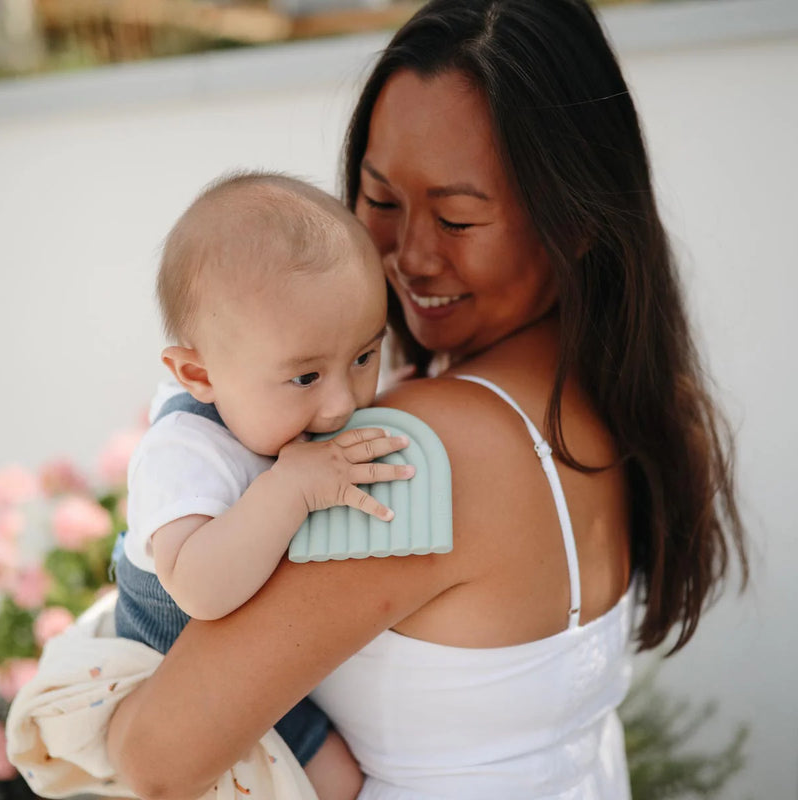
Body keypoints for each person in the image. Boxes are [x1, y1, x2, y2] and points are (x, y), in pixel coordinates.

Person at [105, 1, 748, 798]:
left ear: (575, 221)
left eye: (456, 217)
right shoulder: (615, 400)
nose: (405, 257)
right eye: (378, 201)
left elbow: (153, 757)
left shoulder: (413, 453)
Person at [113, 171, 416, 800]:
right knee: (338, 782)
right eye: (305, 377)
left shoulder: (273, 396)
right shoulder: (184, 453)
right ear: (198, 373)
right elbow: (201, 588)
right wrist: (289, 491)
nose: (340, 403)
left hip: (256, 664)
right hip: (176, 675)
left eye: (363, 356)